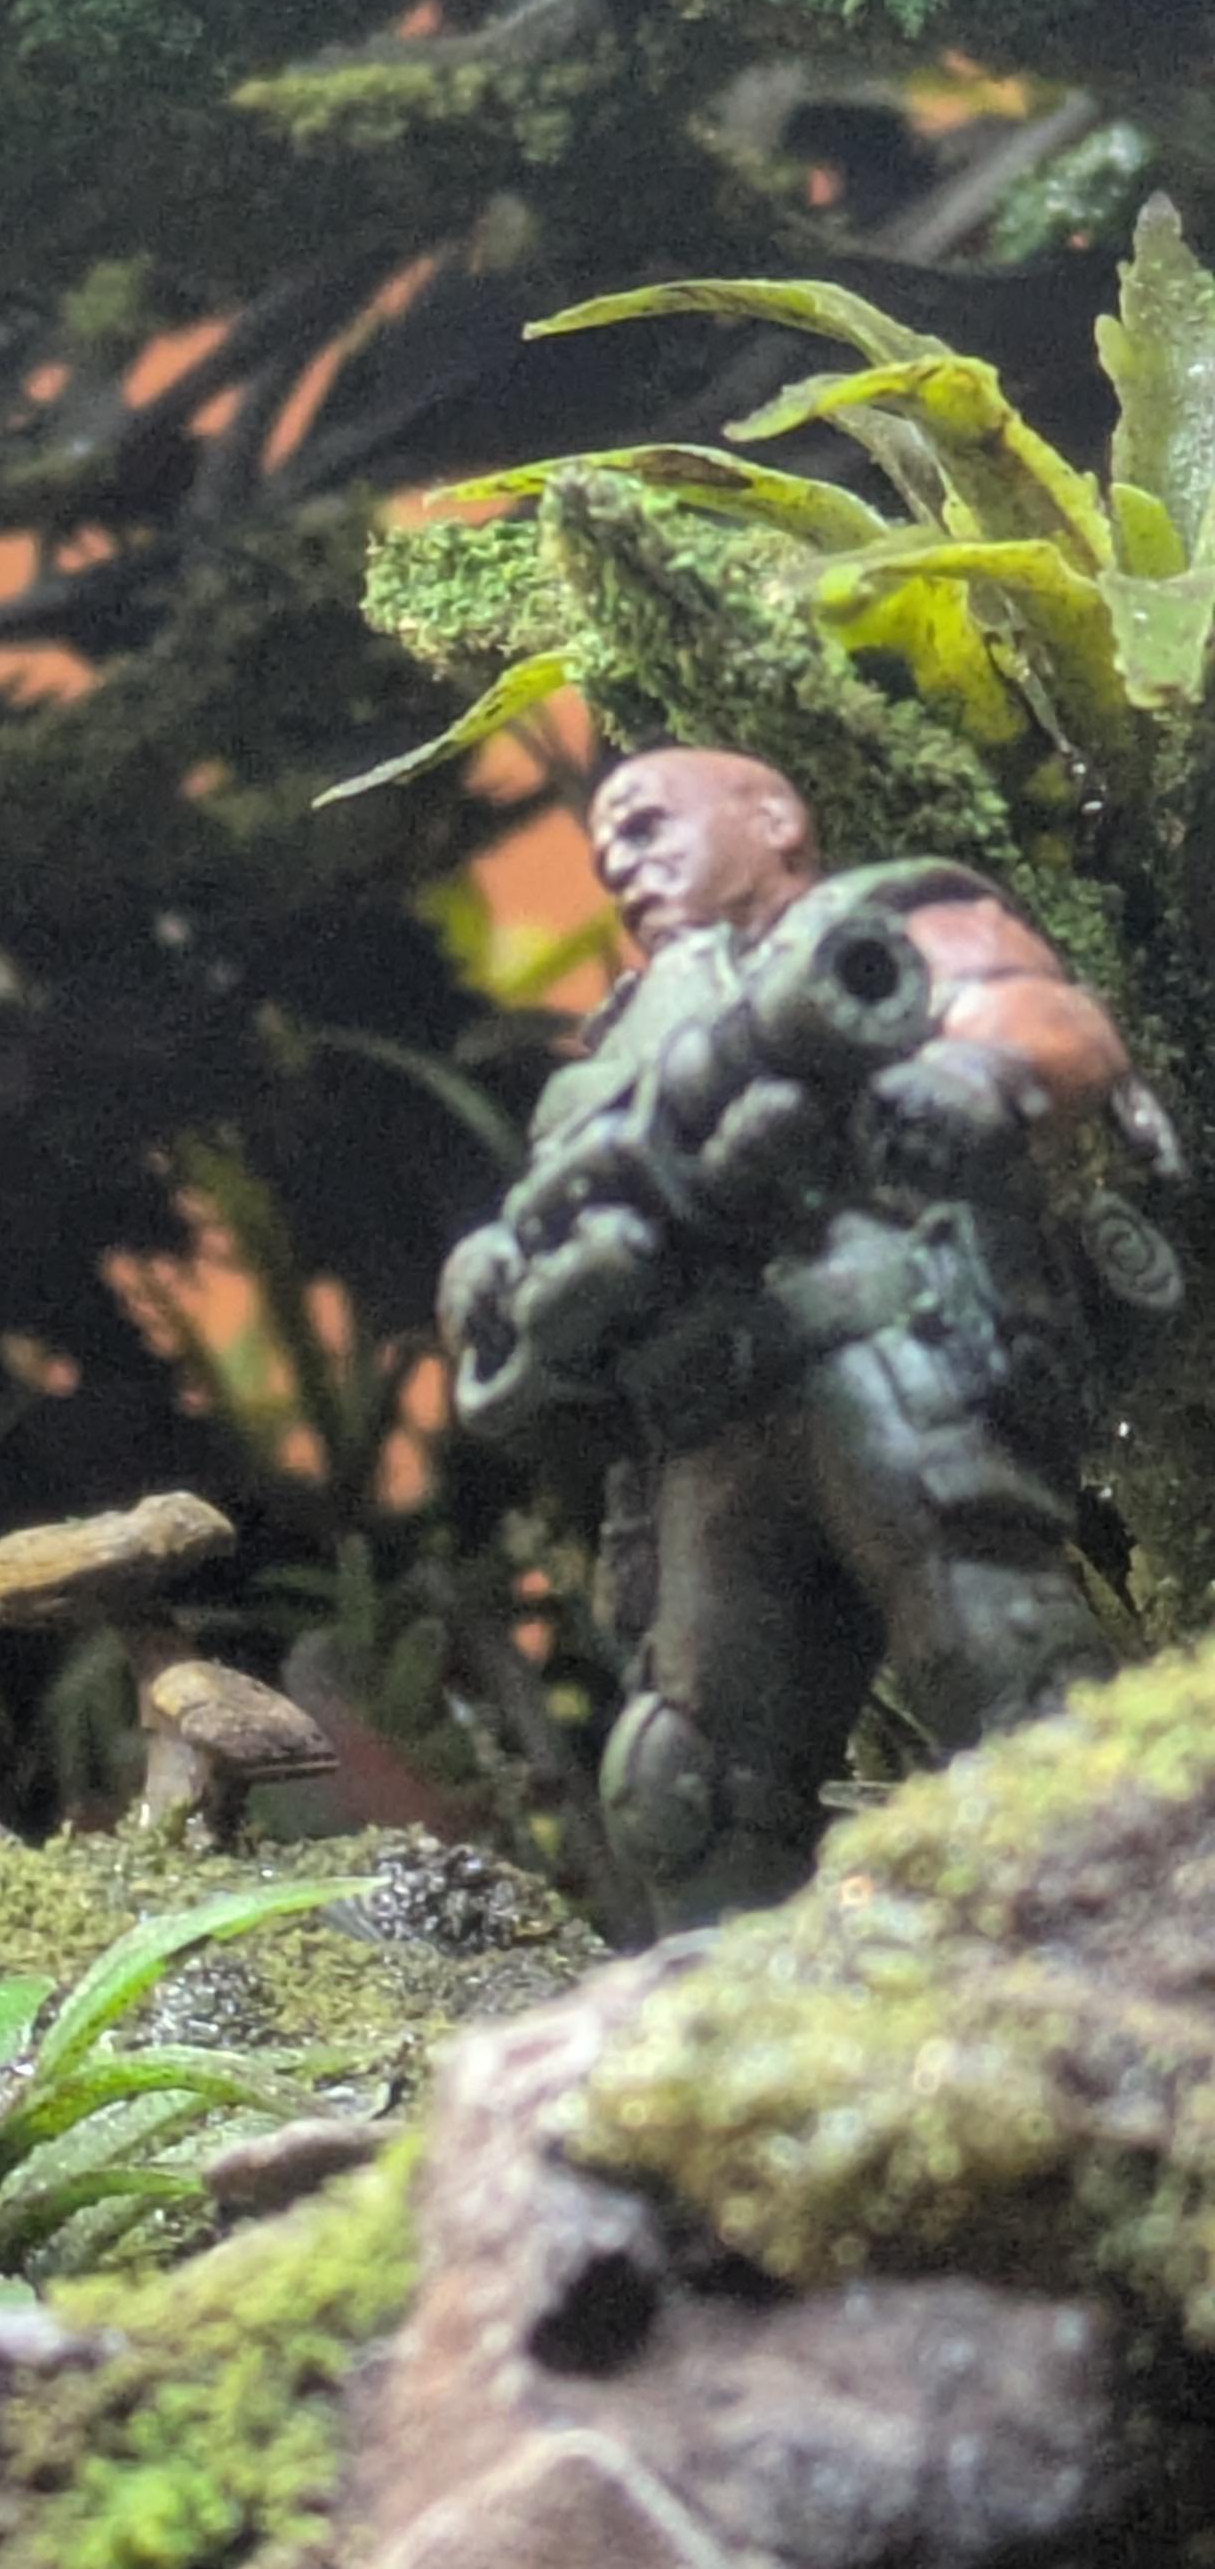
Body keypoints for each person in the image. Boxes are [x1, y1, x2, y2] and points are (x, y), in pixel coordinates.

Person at [438, 746, 1176, 1930]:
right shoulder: (618, 1046)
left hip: (883, 1352)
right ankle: (731, 2013)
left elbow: (1050, 1022)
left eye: (647, 822)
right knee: (685, 1782)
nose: (618, 858)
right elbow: (547, 1249)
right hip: (707, 1422)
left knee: (995, 1652)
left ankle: (1130, 1934)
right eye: (605, 845)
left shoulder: (861, 930)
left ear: (773, 816)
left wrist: (971, 1078)